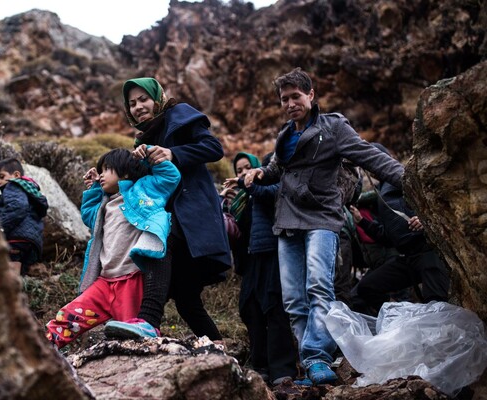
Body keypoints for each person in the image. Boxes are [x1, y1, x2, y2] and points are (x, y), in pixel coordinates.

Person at [244, 68, 405, 385]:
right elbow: (277, 167)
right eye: (284, 99)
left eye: (296, 97)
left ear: (310, 95)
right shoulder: (286, 134)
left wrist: (405, 177)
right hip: (287, 222)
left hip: (321, 217)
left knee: (319, 286)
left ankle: (317, 357)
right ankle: (311, 363)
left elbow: (367, 154)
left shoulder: (333, 126)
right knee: (293, 299)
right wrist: (259, 174)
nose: (290, 103)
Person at [104, 77, 231, 342]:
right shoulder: (142, 138)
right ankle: (222, 351)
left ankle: (149, 321)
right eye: (132, 104)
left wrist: (173, 154)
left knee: (158, 241)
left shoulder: (179, 115)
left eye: (143, 99)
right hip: (167, 215)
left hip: (190, 215)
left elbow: (214, 148)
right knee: (186, 300)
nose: (138, 107)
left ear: (157, 98)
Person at [45, 148, 180, 348]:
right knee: (69, 316)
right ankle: (43, 347)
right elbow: (88, 216)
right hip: (104, 282)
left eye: (106, 170)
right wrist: (94, 190)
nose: (100, 175)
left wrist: (149, 155)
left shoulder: (143, 189)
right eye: (100, 171)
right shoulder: (104, 204)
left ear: (125, 172)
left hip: (131, 279)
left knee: (132, 336)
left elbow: (170, 177)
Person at [222, 152, 298, 386]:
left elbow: (271, 195)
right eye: (238, 170)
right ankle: (260, 364)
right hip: (253, 258)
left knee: (274, 308)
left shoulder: (269, 184)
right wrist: (228, 203)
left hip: (274, 252)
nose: (243, 173)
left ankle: (282, 369)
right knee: (250, 307)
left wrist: (248, 186)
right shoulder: (244, 198)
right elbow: (239, 229)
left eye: (247, 167)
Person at [349, 143, 450, 316]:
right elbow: (388, 237)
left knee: (437, 306)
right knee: (367, 287)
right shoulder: (381, 190)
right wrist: (362, 222)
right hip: (406, 258)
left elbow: (434, 200)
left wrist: (425, 220)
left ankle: (445, 339)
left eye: (371, 162)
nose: (370, 169)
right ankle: (398, 318)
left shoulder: (400, 176)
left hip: (428, 251)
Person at [0, 158, 49, 276]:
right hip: (31, 242)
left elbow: (18, 207)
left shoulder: (13, 185)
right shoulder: (30, 191)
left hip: (16, 238)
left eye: (1, 176)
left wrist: (0, 226)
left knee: (10, 276)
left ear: (16, 175)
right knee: (18, 275)